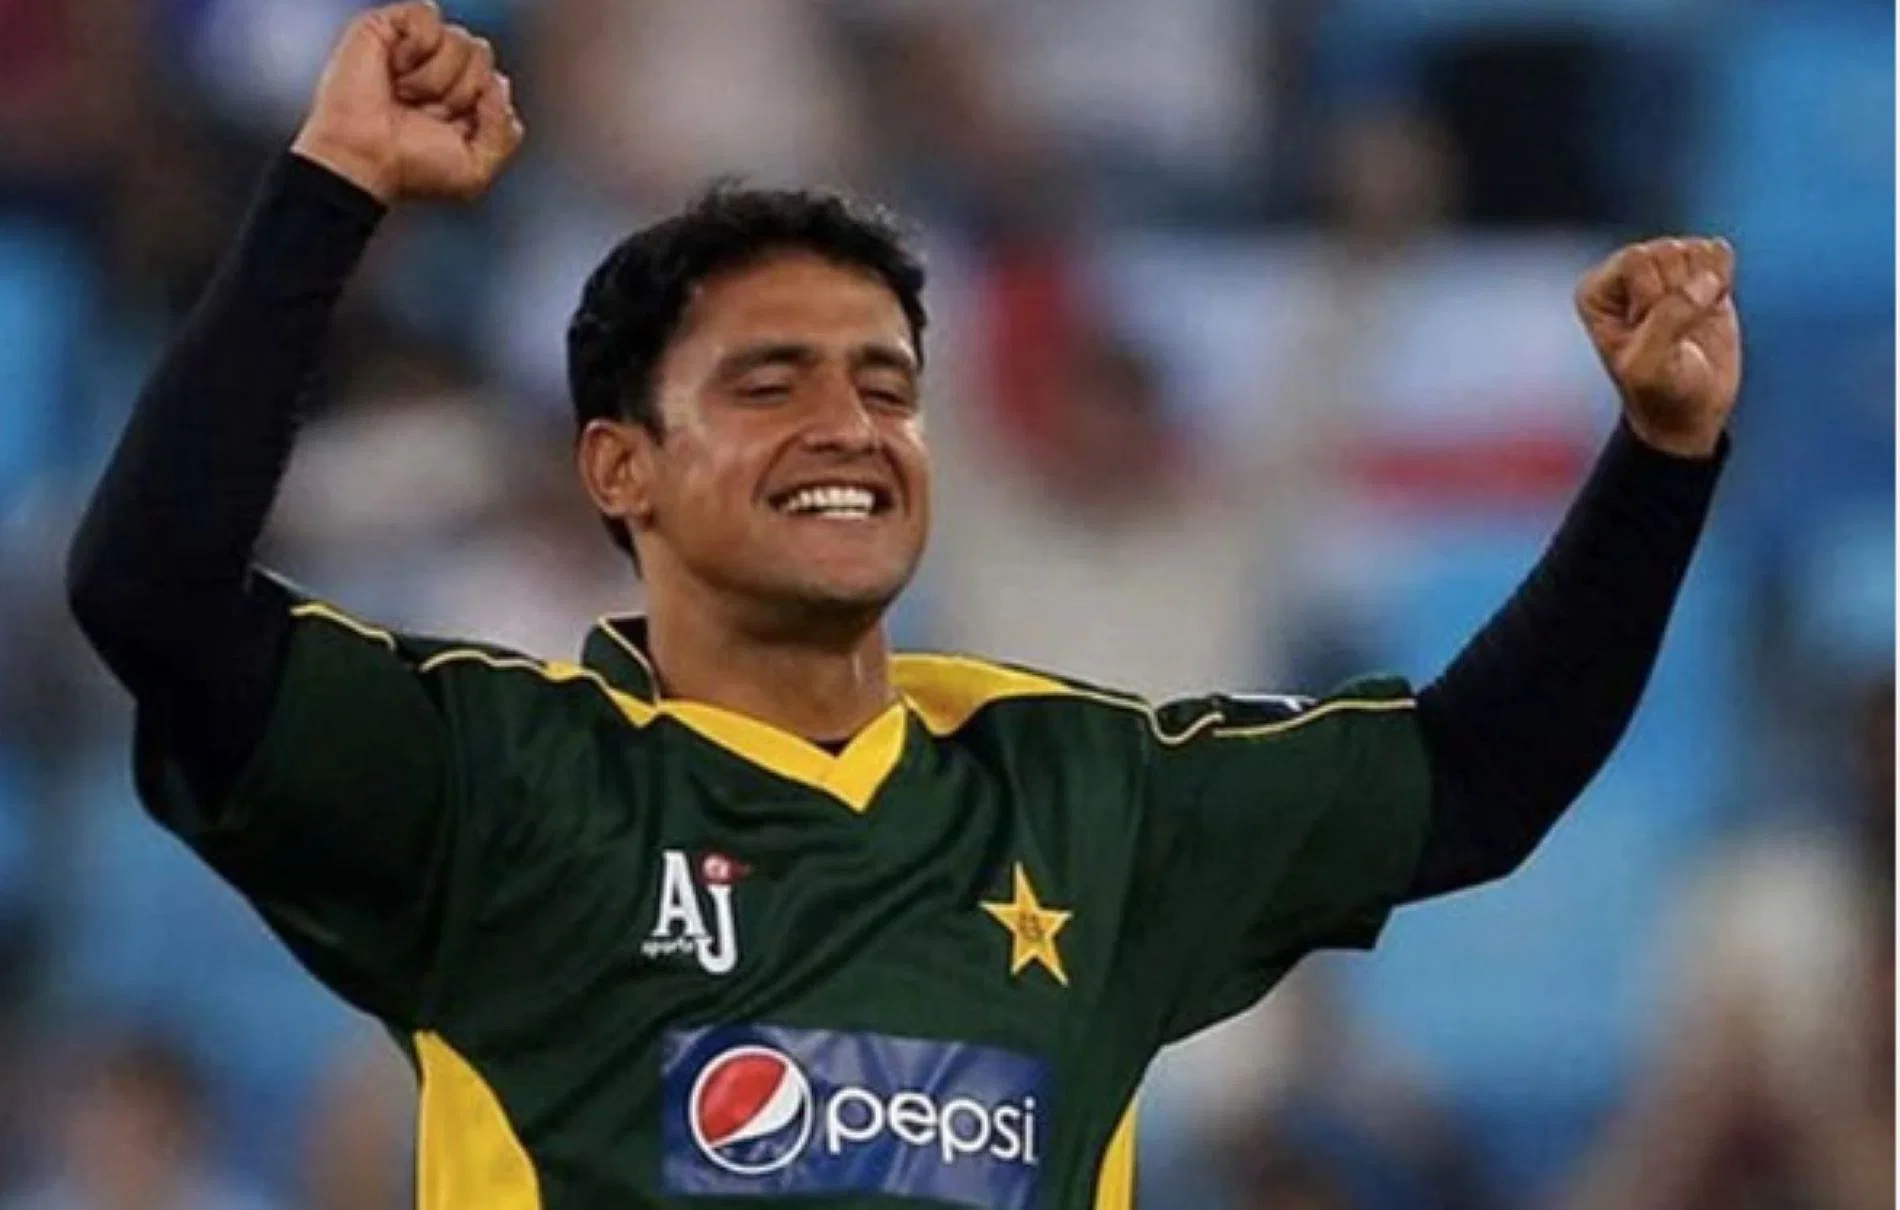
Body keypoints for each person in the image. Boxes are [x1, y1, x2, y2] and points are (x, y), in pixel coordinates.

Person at [64, 4, 1741, 1208]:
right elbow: (151, 590)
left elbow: (1481, 771)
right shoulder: (493, 777)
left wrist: (1663, 456)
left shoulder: (1088, 799)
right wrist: (331, 189)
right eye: (771, 381)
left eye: (885, 384)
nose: (849, 427)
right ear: (621, 467)